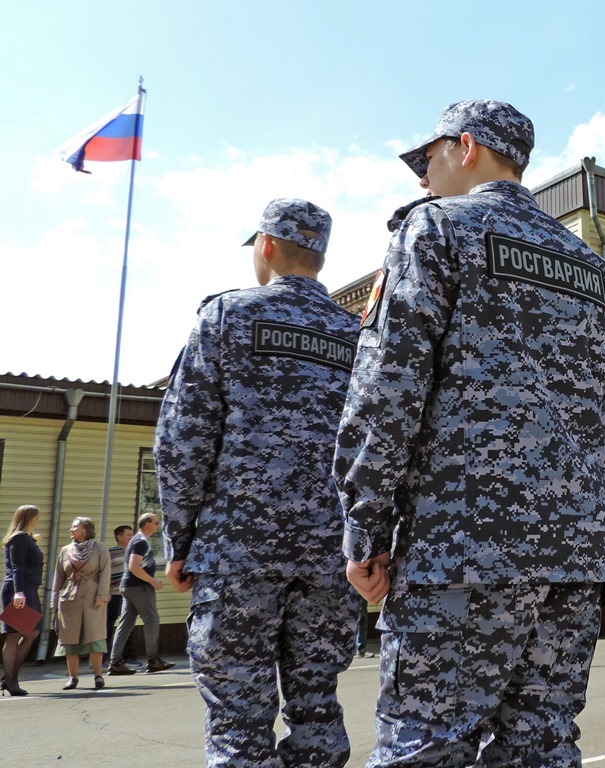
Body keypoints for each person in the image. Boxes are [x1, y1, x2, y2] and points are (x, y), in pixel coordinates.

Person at [334, 99, 605, 767]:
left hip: (460, 552)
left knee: (424, 748)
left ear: (466, 147)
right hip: (570, 561)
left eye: (428, 158)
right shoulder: (596, 273)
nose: (421, 177)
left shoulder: (435, 229)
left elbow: (386, 390)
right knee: (543, 747)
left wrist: (365, 529)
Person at [155, 198, 362, 768]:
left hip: (238, 551)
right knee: (317, 708)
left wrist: (180, 538)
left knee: (238, 720)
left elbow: (183, 441)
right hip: (331, 552)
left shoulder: (227, 316)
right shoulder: (358, 336)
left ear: (266, 246)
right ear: (319, 255)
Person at [107, 513, 173, 675]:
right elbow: (134, 566)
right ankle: (153, 659)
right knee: (151, 619)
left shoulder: (138, 540)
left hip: (130, 586)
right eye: (156, 522)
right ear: (147, 524)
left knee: (126, 623)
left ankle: (115, 662)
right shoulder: (140, 541)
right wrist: (152, 581)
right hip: (139, 587)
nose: (158, 525)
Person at [52, 516, 111, 690]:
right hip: (69, 598)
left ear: (85, 529)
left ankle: (98, 676)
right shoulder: (65, 551)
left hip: (93, 597)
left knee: (95, 637)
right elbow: (58, 577)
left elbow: (105, 572)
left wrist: (102, 595)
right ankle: (72, 677)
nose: (71, 530)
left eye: (75, 527)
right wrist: (54, 601)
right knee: (69, 639)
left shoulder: (99, 548)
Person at [2, 504, 45, 696]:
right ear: (29, 518)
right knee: (14, 635)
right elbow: (17, 567)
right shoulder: (19, 538)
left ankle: (10, 678)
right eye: (36, 516)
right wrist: (18, 592)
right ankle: (11, 680)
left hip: (29, 589)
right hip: (19, 590)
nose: (38, 520)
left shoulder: (27, 539)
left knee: (31, 633)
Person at [105, 524, 134, 662]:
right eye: (128, 534)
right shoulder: (110, 552)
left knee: (128, 623)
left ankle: (128, 655)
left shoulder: (134, 552)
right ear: (119, 536)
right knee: (108, 624)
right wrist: (105, 591)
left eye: (131, 534)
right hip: (113, 593)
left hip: (128, 593)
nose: (131, 537)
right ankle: (105, 655)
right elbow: (103, 573)